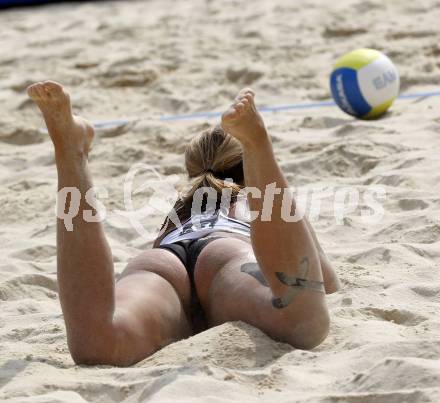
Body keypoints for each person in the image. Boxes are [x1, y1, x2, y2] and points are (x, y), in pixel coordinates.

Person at [27, 81, 341, 367]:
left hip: (162, 260)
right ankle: (257, 145)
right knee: (304, 321)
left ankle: (71, 153)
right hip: (226, 255)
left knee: (96, 345)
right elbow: (326, 282)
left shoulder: (181, 206)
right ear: (248, 174)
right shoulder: (247, 198)